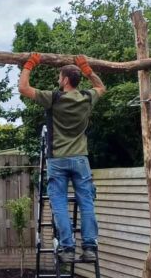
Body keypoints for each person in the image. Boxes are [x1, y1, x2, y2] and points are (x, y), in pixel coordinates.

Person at [18, 53, 106, 264]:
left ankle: (67, 248)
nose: (58, 80)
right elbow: (102, 87)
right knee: (86, 203)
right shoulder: (87, 97)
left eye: (59, 77)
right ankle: (89, 247)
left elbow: (23, 88)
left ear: (65, 80)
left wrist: (30, 64)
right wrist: (88, 70)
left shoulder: (54, 98)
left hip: (57, 159)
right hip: (80, 160)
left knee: (58, 203)